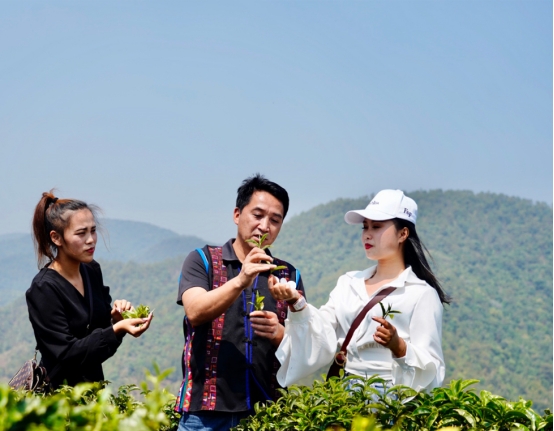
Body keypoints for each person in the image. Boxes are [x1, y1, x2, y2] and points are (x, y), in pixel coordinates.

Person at [269, 189, 450, 392]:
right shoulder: (348, 283)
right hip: (346, 396)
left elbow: (433, 369)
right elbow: (322, 333)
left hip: (391, 401)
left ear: (403, 233)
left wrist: (398, 346)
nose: (368, 234)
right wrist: (297, 302)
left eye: (377, 226)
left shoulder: (421, 293)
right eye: (365, 227)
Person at [175, 174, 305, 431]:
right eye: (257, 215)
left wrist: (281, 334)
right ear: (237, 215)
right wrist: (240, 280)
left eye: (275, 220)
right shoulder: (203, 260)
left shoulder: (288, 275)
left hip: (267, 413)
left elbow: (305, 343)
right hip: (205, 414)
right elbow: (195, 312)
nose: (264, 226)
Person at [26, 191, 153, 389]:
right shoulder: (44, 288)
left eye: (93, 230)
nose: (91, 240)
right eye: (81, 233)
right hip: (60, 402)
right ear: (56, 238)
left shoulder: (91, 271)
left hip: (93, 396)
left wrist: (116, 320)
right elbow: (66, 353)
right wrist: (116, 329)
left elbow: (99, 339)